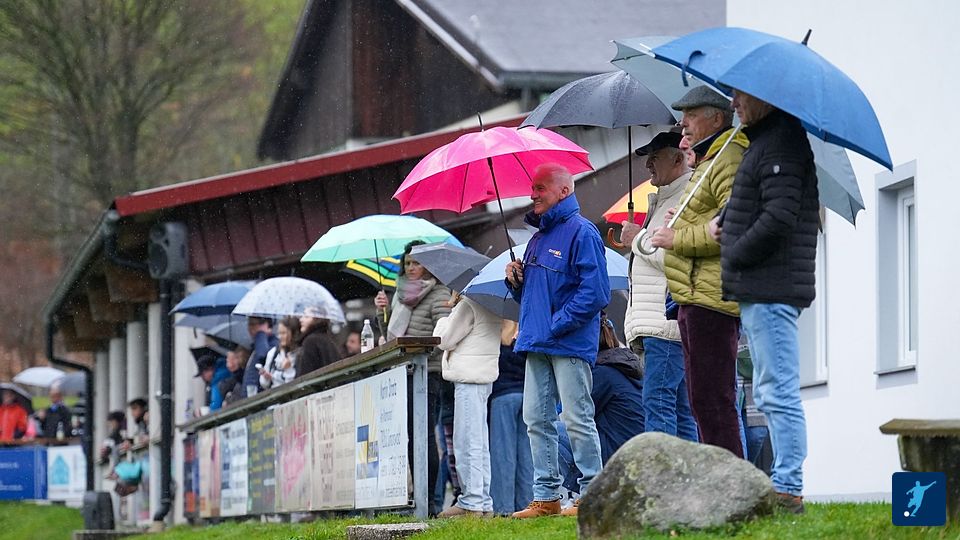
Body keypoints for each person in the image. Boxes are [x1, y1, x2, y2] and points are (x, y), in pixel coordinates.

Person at [716, 88, 820, 514]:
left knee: (778, 390)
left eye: (740, 94)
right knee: (769, 388)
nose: (733, 103)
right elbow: (764, 204)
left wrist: (734, 252)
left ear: (765, 97)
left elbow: (778, 217)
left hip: (771, 286)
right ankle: (784, 485)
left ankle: (788, 489)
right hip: (760, 286)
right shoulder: (765, 143)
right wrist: (725, 222)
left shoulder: (781, 142)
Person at [505, 163, 609, 518]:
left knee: (577, 418)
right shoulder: (538, 238)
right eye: (533, 188)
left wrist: (556, 324)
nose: (532, 194)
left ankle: (592, 493)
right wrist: (517, 283)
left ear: (564, 191)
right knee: (536, 419)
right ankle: (547, 497)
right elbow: (535, 298)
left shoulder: (583, 232)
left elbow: (596, 293)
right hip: (540, 342)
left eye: (540, 188)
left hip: (566, 343)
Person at [652, 86, 748, 458]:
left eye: (690, 115)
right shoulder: (708, 161)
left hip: (712, 298)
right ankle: (719, 476)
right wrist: (682, 222)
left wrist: (677, 237)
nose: (683, 124)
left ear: (716, 118)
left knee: (714, 399)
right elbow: (710, 218)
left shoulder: (729, 157)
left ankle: (732, 481)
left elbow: (732, 226)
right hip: (694, 297)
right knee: (702, 400)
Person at [620, 131, 699, 442]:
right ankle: (687, 473)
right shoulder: (666, 198)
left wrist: (636, 239)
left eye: (655, 157)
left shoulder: (685, 198)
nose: (647, 164)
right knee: (680, 409)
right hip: (662, 325)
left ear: (678, 158)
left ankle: (663, 473)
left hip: (665, 326)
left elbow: (676, 258)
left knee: (659, 403)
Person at [375, 239, 452, 516]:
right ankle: (418, 496)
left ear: (428, 265)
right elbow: (391, 335)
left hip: (428, 374)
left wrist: (420, 350)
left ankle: (429, 501)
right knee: (409, 436)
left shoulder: (439, 293)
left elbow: (444, 334)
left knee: (425, 436)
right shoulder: (400, 294)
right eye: (407, 263)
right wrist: (381, 311)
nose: (411, 268)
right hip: (403, 372)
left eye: (417, 262)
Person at [556, 314, 646, 492]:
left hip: (616, 458)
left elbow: (569, 414)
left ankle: (584, 492)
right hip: (632, 453)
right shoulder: (620, 365)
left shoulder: (601, 374)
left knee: (551, 430)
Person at [433, 292, 501, 517]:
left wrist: (444, 319)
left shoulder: (468, 305)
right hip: (482, 377)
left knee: (466, 441)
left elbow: (444, 340)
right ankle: (483, 501)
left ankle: (472, 501)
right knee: (479, 443)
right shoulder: (490, 303)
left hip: (468, 378)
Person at [489, 320, 533, 515]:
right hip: (527, 395)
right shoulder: (526, 332)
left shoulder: (495, 337)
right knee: (526, 454)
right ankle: (526, 504)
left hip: (502, 396)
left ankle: (503, 507)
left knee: (502, 453)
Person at [297, 307, 341, 377]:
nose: (301, 319)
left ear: (316, 320)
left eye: (306, 316)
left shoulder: (310, 341)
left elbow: (306, 374)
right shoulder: (327, 339)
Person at [241, 317, 278, 397]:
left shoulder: (271, 342)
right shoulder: (257, 345)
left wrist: (260, 334)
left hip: (259, 393)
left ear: (266, 324)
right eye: (249, 324)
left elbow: (262, 354)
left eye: (253, 324)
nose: (250, 328)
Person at [260, 317, 300, 389]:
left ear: (293, 333)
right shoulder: (273, 353)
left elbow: (293, 386)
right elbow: (264, 384)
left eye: (283, 333)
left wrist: (288, 369)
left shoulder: (300, 354)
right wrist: (265, 376)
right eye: (279, 333)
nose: (280, 337)